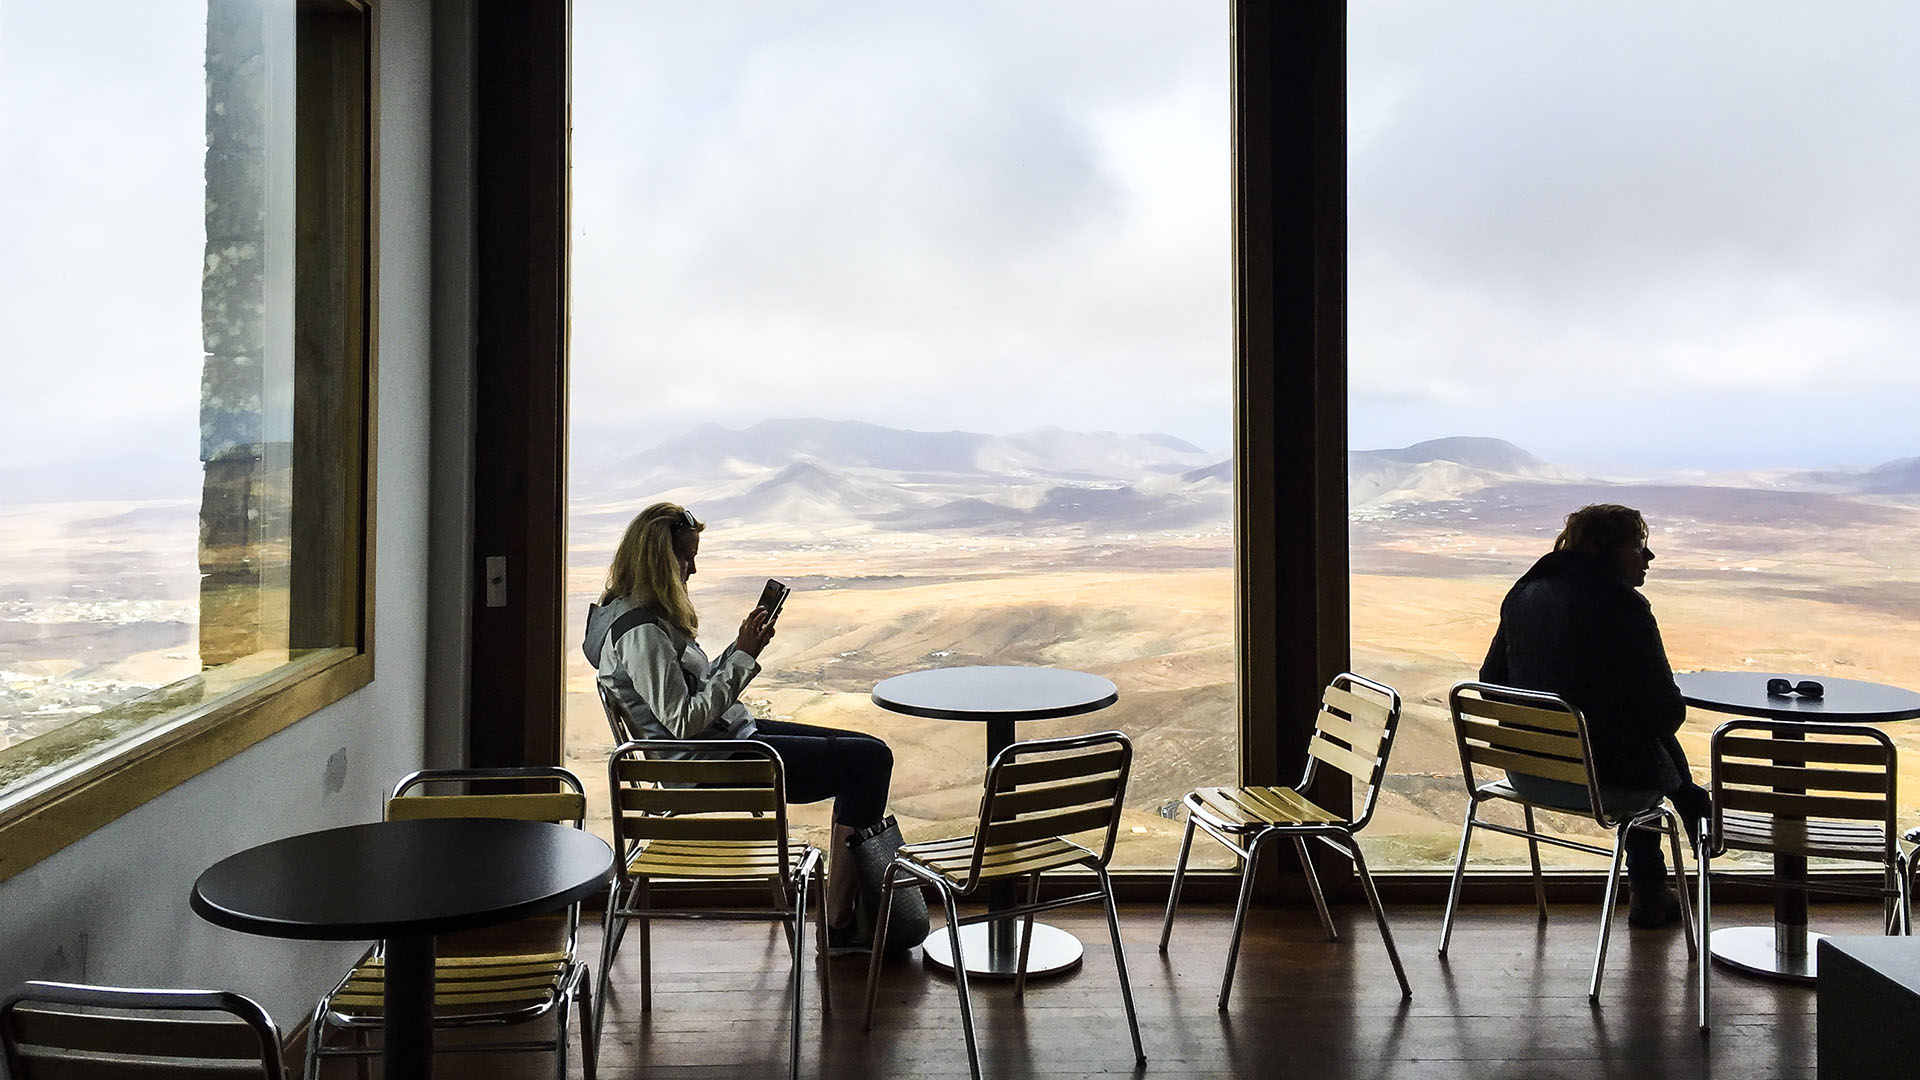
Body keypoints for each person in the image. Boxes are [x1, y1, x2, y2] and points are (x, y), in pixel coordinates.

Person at [584, 502, 896, 953]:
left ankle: (840, 915)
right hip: (710, 762)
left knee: (865, 750)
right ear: (657, 559)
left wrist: (739, 648)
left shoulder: (632, 616)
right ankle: (840, 923)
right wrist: (744, 660)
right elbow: (684, 721)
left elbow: (688, 693)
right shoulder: (641, 632)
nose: (692, 568)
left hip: (723, 741)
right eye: (685, 557)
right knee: (870, 761)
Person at [1480, 502, 1711, 928]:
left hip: (1528, 773)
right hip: (1599, 784)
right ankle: (1665, 864)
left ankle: (1657, 881)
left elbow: (1491, 680)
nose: (1649, 557)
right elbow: (1665, 712)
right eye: (1639, 546)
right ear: (1606, 550)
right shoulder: (1624, 607)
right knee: (1641, 746)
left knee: (1630, 737)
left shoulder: (1524, 594)